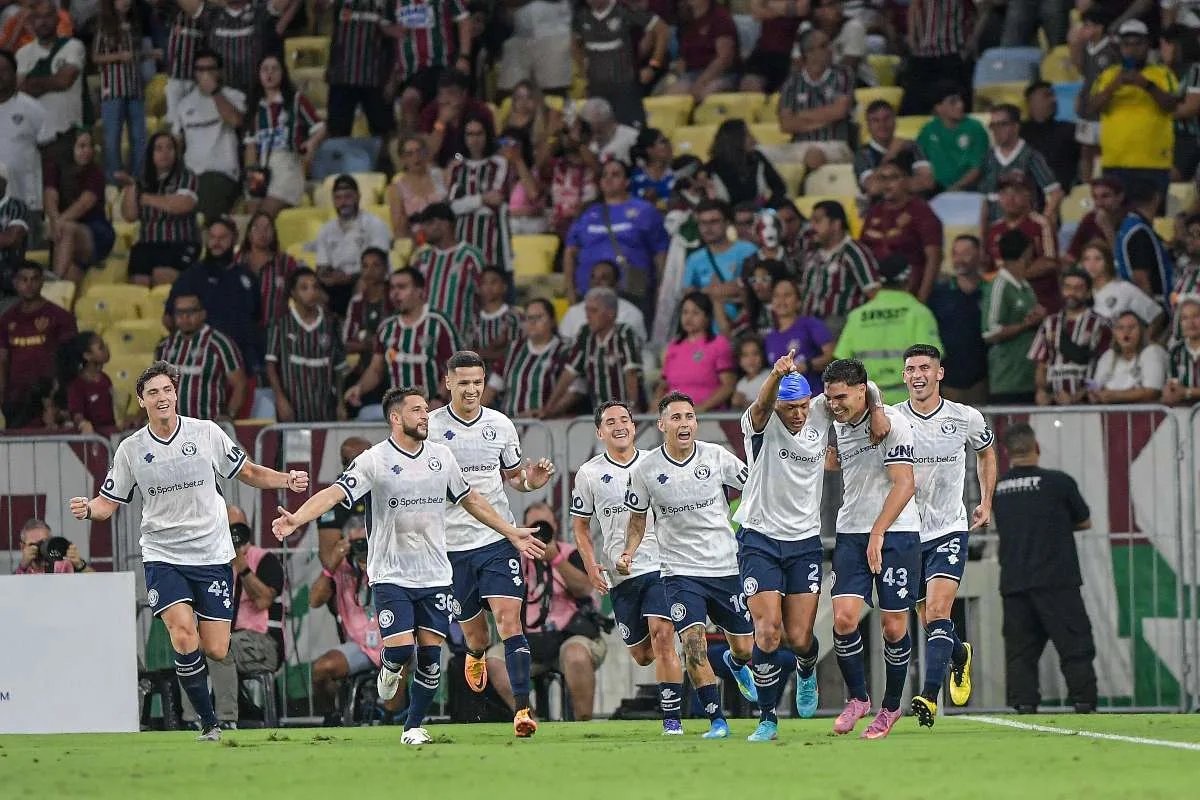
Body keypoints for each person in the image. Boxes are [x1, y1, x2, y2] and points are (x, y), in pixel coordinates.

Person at [272, 386, 545, 744]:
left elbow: (471, 500)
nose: (425, 416)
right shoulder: (375, 460)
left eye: (425, 410)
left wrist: (510, 531)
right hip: (391, 574)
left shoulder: (442, 457)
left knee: (431, 658)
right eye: (417, 410)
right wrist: (297, 519)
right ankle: (389, 663)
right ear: (395, 418)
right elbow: (334, 493)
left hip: (435, 574)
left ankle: (412, 727)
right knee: (402, 650)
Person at [69, 360, 309, 742]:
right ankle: (210, 723)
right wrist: (88, 509)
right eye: (153, 392)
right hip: (163, 554)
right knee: (183, 635)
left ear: (175, 394)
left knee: (216, 648)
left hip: (212, 554)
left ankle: (210, 711)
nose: (161, 397)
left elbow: (247, 471)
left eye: (167, 390)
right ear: (141, 400)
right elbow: (107, 503)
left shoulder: (206, 433)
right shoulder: (131, 450)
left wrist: (286, 479)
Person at [737, 352, 885, 741]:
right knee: (768, 631)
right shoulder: (763, 423)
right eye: (791, 408)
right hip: (760, 537)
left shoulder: (820, 410)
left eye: (803, 406)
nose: (799, 415)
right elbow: (762, 404)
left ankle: (806, 669)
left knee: (800, 638)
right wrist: (774, 374)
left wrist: (880, 410)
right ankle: (767, 717)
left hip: (804, 541)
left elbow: (863, 386)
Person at [427, 351, 557, 736]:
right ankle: (475, 654)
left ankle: (522, 710)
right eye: (463, 382)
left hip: (498, 538)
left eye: (477, 382)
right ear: (448, 382)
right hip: (452, 546)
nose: (471, 389)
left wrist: (533, 480)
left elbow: (515, 479)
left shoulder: (500, 425)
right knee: (477, 634)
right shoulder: (431, 427)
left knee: (508, 620)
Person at [618, 391, 755, 740]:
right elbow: (637, 520)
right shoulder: (645, 470)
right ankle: (716, 720)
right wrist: (629, 552)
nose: (684, 423)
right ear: (662, 424)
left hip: (724, 567)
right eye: (676, 417)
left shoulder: (716, 456)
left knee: (745, 648)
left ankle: (735, 664)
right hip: (678, 571)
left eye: (689, 417)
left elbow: (755, 486)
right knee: (693, 643)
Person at [896, 344, 997, 726]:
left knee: (938, 612)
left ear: (939, 373)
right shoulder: (892, 418)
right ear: (904, 376)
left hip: (949, 528)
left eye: (925, 367)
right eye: (911, 369)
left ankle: (928, 697)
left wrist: (986, 501)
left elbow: (986, 452)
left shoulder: (965, 417)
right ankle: (959, 655)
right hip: (906, 533)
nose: (918, 374)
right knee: (930, 621)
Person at [570, 400, 684, 732]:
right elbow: (580, 526)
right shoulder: (589, 473)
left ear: (634, 427)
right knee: (643, 654)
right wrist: (592, 566)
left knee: (663, 637)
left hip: (662, 565)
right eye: (610, 421)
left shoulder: (657, 461)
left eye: (625, 419)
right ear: (600, 431)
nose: (619, 425)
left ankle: (672, 719)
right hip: (621, 576)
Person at [820, 357, 918, 739]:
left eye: (841, 397)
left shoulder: (893, 424)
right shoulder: (842, 420)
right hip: (850, 530)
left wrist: (879, 532)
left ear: (862, 390)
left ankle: (891, 707)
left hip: (896, 534)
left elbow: (905, 484)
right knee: (843, 618)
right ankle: (858, 698)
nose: (834, 405)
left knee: (893, 627)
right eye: (830, 398)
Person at [991, 423, 1097, 714]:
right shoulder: (1059, 483)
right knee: (1075, 644)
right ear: (1036, 448)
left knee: (1021, 651)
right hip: (1057, 579)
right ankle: (1084, 701)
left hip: (1014, 580)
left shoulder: (998, 489)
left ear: (1006, 452)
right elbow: (1085, 521)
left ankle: (1024, 704)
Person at [485, 503, 604, 721]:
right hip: (528, 640)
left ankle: (584, 723)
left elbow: (585, 589)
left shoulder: (571, 553)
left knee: (576, 655)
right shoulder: (512, 557)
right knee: (494, 660)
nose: (540, 533)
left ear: (556, 526)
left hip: (570, 636)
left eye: (545, 526)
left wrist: (555, 559)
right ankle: (528, 718)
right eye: (534, 527)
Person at [179, 505, 284, 730]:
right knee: (189, 646)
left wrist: (242, 567)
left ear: (246, 530)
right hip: (229, 636)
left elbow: (264, 601)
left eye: (237, 529)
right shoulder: (213, 563)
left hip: (263, 642)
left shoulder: (265, 560)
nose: (232, 534)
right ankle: (192, 720)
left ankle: (227, 719)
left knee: (220, 648)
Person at [344, 268, 461, 416]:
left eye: (402, 287)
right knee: (364, 416)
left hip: (434, 410)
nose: (395, 293)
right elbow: (376, 369)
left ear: (419, 291)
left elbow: (456, 367)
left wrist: (439, 398)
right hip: (398, 412)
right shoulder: (387, 327)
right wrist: (359, 388)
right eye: (392, 288)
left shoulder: (438, 324)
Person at [307, 518, 389, 725]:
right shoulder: (342, 568)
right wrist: (331, 566)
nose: (362, 548)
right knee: (321, 669)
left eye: (366, 541)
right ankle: (332, 717)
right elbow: (314, 601)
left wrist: (373, 566)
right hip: (360, 647)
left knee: (401, 657)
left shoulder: (389, 560)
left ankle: (392, 720)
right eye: (357, 543)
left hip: (393, 640)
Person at [1088, 19, 1178, 200]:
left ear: (1147, 45)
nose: (1132, 49)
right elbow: (1092, 108)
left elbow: (1171, 105)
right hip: (1115, 162)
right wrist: (1113, 87)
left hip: (1153, 163)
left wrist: (1146, 85)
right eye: (1127, 44)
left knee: (1154, 222)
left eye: (1138, 44)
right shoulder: (1108, 76)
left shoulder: (1163, 73)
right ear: (1120, 47)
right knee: (1115, 221)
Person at [835, 255, 943, 403]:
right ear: (909, 279)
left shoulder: (857, 316)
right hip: (910, 401)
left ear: (879, 281)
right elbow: (933, 360)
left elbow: (842, 361)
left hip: (868, 401)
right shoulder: (918, 313)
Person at [563, 159, 668, 307]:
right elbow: (570, 253)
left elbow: (660, 253)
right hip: (589, 293)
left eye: (615, 175)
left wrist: (661, 290)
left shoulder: (645, 211)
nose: (608, 179)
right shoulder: (587, 213)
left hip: (633, 292)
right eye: (604, 175)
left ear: (626, 182)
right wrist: (571, 294)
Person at [167, 217, 262, 376]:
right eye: (212, 237)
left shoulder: (247, 277)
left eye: (222, 237)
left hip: (242, 365)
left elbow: (256, 318)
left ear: (235, 239)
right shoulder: (191, 276)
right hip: (202, 367)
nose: (216, 242)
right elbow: (169, 319)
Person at [243, 54, 325, 217]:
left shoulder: (296, 100)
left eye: (274, 69)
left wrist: (311, 144)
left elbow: (321, 127)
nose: (270, 73)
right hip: (259, 169)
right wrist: (251, 175)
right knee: (253, 218)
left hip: (287, 164)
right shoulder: (254, 107)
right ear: (258, 75)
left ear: (283, 73)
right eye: (265, 69)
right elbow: (250, 146)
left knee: (263, 216)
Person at [542, 287, 644, 417]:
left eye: (594, 311)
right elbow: (568, 374)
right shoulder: (585, 334)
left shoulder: (624, 333)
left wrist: (632, 409)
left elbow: (631, 373)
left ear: (611, 313)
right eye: (587, 311)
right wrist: (548, 408)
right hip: (599, 415)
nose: (588, 316)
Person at [170, 49, 245, 221]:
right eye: (200, 69)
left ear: (220, 72)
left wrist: (214, 92)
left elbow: (234, 121)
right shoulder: (184, 104)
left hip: (221, 171)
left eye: (210, 69)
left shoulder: (233, 96)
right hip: (191, 174)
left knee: (202, 212)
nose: (205, 74)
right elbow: (177, 142)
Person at [266, 267, 348, 422]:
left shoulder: (331, 323)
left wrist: (340, 404)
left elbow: (339, 369)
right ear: (293, 293)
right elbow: (271, 366)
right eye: (304, 288)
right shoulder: (281, 323)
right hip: (292, 406)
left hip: (325, 407)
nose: (311, 292)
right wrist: (280, 400)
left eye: (315, 287)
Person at [0, 261, 76, 428]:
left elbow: (68, 362)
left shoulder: (60, 317)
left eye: (34, 279)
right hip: (15, 401)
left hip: (48, 400)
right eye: (24, 279)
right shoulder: (6, 320)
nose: (29, 285)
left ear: (42, 281)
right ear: (15, 282)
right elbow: (2, 360)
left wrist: (59, 397)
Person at [120, 131, 200, 288]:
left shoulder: (186, 176)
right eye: (159, 148)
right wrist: (131, 187)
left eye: (169, 148)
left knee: (160, 275)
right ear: (151, 154)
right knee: (139, 284)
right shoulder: (142, 180)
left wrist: (147, 199)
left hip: (179, 243)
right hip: (147, 244)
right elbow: (130, 216)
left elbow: (184, 204)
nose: (165, 153)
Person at [572, 0, 667, 128]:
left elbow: (662, 29)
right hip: (596, 90)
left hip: (625, 88)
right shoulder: (580, 15)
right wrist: (583, 72)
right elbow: (574, 43)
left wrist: (653, 66)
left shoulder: (624, 10)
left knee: (634, 135)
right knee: (600, 136)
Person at [155, 292, 248, 421]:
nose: (185, 317)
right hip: (172, 431)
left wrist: (229, 415)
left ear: (202, 314)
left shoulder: (219, 344)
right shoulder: (166, 346)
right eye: (179, 313)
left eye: (191, 312)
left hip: (207, 429)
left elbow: (240, 384)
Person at [859, 160, 943, 302]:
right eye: (882, 178)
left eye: (893, 178)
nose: (887, 184)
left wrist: (922, 298)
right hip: (875, 293)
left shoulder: (921, 211)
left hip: (910, 290)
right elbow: (862, 254)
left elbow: (934, 258)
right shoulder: (875, 211)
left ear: (908, 181)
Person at [15, 0, 85, 166]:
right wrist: (52, 80)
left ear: (58, 18)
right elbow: (19, 92)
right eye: (38, 17)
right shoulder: (22, 54)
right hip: (33, 138)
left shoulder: (73, 46)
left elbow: (64, 81)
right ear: (31, 22)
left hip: (67, 134)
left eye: (48, 16)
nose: (43, 21)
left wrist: (32, 83)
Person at [1030, 269, 1112, 406]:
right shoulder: (1049, 323)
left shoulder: (1101, 324)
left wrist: (1079, 395)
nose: (1072, 293)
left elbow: (1105, 366)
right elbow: (1041, 365)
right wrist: (1042, 391)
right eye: (1067, 287)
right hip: (1052, 403)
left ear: (1088, 293)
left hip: (1088, 403)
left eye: (1078, 288)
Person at [777, 27, 855, 171]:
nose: (830, 48)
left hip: (834, 145)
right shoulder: (792, 82)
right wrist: (825, 119)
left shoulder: (843, 74)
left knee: (813, 155)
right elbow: (786, 125)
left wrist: (802, 115)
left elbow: (840, 111)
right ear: (809, 53)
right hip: (799, 146)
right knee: (761, 154)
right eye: (824, 46)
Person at [43, 128, 114, 286]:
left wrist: (57, 223)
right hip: (63, 232)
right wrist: (55, 220)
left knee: (67, 228)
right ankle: (61, 300)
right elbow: (50, 196)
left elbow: (84, 204)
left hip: (95, 231)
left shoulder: (95, 172)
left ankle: (55, 281)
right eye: (82, 146)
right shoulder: (55, 168)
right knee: (71, 272)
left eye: (90, 146)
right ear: (70, 148)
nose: (87, 151)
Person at [982, 172, 1061, 312]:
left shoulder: (1041, 224)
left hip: (1038, 300)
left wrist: (1011, 278)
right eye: (1004, 193)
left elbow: (1049, 262)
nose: (1010, 198)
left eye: (1016, 192)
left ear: (1028, 195)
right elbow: (988, 266)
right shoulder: (994, 229)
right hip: (1003, 302)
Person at [314, 174, 391, 315]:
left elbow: (378, 265)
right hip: (336, 283)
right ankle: (329, 332)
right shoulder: (326, 229)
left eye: (348, 197)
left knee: (364, 283)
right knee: (313, 290)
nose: (343, 203)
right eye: (338, 198)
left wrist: (349, 277)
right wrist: (329, 276)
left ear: (358, 197)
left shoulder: (375, 224)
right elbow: (321, 268)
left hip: (364, 278)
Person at [983, 230, 1044, 404]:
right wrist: (1026, 325)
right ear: (1027, 252)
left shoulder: (1025, 285)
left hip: (1029, 376)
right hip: (1007, 379)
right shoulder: (999, 285)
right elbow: (989, 332)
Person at [978, 104, 1064, 227]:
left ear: (1015, 127)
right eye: (993, 125)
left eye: (1002, 124)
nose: (996, 130)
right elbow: (985, 201)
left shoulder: (1030, 156)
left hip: (1024, 229)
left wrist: (1044, 221)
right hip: (995, 230)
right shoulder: (988, 158)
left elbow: (1055, 192)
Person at [800, 199, 881, 330]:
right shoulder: (811, 253)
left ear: (836, 224)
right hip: (810, 325)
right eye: (811, 221)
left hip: (842, 326)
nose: (812, 227)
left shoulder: (854, 252)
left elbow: (874, 293)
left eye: (818, 221)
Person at [928, 235, 988, 404]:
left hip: (983, 380)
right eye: (956, 254)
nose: (960, 259)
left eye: (966, 253)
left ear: (980, 255)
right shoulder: (938, 294)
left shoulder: (990, 292)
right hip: (948, 381)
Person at [321, 0, 394, 140]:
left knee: (383, 133)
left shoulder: (387, 3)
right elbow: (320, 8)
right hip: (342, 76)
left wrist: (393, 78)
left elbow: (396, 40)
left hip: (376, 77)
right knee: (337, 132)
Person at [483, 297, 568, 418]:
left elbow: (573, 390)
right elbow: (493, 386)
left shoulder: (564, 350)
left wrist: (549, 411)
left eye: (538, 317)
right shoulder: (514, 349)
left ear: (552, 321)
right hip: (512, 425)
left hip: (547, 426)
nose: (532, 323)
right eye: (529, 318)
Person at [447, 115, 511, 272]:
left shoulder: (499, 164)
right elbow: (453, 207)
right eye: (470, 134)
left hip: (492, 238)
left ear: (487, 135)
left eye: (479, 134)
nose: (474, 139)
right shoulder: (456, 168)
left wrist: (467, 203)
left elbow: (497, 199)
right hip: (462, 236)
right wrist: (482, 198)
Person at [93, 0, 147, 183]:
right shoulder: (104, 25)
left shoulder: (134, 25)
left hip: (135, 88)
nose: (126, 2)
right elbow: (95, 56)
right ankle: (113, 183)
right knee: (112, 138)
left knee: (139, 137)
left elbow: (137, 55)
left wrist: (149, 54)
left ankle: (138, 180)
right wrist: (118, 56)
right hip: (113, 90)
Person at [409, 202, 484, 333]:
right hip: (425, 338)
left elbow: (486, 297)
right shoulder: (422, 259)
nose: (423, 230)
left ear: (446, 224)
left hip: (462, 338)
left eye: (429, 223)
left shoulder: (471, 257)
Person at [657, 291, 736, 411]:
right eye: (685, 312)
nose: (688, 317)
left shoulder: (718, 344)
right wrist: (654, 409)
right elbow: (663, 385)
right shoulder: (674, 346)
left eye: (696, 313)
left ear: (707, 317)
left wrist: (701, 408)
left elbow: (728, 386)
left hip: (709, 416)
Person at [683, 199, 758, 321]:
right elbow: (689, 296)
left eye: (714, 222)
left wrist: (707, 291)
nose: (708, 228)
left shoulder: (748, 250)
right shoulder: (694, 259)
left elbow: (754, 288)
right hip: (709, 333)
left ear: (727, 223)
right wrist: (719, 292)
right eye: (703, 223)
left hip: (744, 326)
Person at [1068, 8, 1119, 183]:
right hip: (1086, 106)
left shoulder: (1112, 51)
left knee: (1104, 149)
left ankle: (1108, 184)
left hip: (1104, 109)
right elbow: (1080, 69)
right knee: (1086, 149)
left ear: (1100, 28)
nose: (1084, 30)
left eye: (1088, 26)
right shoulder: (1086, 48)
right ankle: (1086, 183)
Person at [0, 48, 47, 235]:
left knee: (30, 262)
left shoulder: (33, 109)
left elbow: (49, 153)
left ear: (14, 73)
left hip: (27, 203)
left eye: (3, 70)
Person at [900, 0, 973, 115]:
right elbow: (914, 5)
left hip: (949, 54)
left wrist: (969, 44)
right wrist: (911, 37)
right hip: (920, 55)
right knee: (913, 109)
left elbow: (983, 8)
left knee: (956, 110)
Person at [854, 100, 935, 201]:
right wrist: (891, 154)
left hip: (913, 207)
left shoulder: (912, 146)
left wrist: (888, 185)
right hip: (879, 210)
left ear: (895, 121)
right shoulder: (863, 154)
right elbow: (873, 188)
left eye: (887, 119)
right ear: (868, 126)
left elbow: (927, 182)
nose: (882, 124)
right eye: (875, 120)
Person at [916, 83, 988, 193]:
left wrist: (955, 188)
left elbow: (979, 166)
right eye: (953, 102)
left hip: (969, 189)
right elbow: (920, 157)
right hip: (934, 191)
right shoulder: (928, 130)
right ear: (938, 108)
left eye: (960, 101)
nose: (960, 105)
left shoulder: (975, 127)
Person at [1078, 238, 1163, 332]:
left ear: (1107, 262)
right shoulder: (1080, 294)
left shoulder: (1124, 289)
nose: (1091, 264)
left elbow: (1156, 316)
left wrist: (1146, 342)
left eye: (1098, 258)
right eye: (1087, 259)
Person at [765, 276, 834, 391]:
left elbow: (831, 355)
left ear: (798, 301)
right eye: (776, 296)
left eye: (787, 295)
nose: (781, 300)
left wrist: (808, 365)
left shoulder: (811, 324)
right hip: (785, 404)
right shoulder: (770, 337)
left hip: (813, 400)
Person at [662, 0, 738, 102]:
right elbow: (683, 57)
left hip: (722, 73)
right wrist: (674, 78)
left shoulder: (721, 18)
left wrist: (701, 82)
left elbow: (724, 59)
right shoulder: (685, 18)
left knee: (708, 94)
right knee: (671, 96)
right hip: (692, 72)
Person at [236, 211, 299, 330]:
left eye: (268, 228)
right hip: (240, 330)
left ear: (274, 233)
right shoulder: (236, 260)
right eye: (257, 228)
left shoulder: (286, 262)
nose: (262, 233)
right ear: (249, 234)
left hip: (275, 332)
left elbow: (299, 294)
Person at [1114, 177, 1175, 299]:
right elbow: (1140, 278)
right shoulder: (1139, 232)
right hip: (1150, 304)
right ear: (1157, 197)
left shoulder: (1130, 225)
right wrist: (1151, 312)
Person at [1089, 310, 1169, 403]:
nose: (1126, 332)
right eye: (1120, 328)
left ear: (1142, 331)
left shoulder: (1153, 351)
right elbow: (1093, 383)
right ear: (1114, 333)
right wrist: (1091, 392)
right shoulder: (1109, 355)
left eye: (1131, 327)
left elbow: (1152, 392)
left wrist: (1114, 396)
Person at [558, 260, 647, 343]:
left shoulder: (631, 313)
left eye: (604, 278)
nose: (596, 282)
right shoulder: (573, 312)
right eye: (593, 277)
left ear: (617, 284)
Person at [420, 70, 494, 169]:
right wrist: (441, 122)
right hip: (440, 168)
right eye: (441, 94)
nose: (444, 100)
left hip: (474, 165)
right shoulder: (430, 112)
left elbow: (488, 147)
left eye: (451, 93)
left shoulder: (480, 111)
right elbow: (426, 154)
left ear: (464, 94)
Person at [706, 119, 788, 207]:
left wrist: (768, 209)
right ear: (735, 140)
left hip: (758, 214)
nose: (754, 140)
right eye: (748, 135)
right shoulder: (711, 168)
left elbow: (779, 187)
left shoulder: (757, 158)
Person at [1020, 81, 1079, 192]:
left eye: (1053, 95)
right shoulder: (1018, 133)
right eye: (1047, 95)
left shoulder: (1070, 130)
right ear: (1030, 102)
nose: (1054, 100)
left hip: (1065, 195)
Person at [161, 0, 218, 115]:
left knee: (194, 115)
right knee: (174, 118)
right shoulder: (172, 11)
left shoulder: (207, 13)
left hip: (195, 78)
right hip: (175, 77)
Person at [738, 0, 804, 94]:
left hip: (791, 52)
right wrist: (788, 8)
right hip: (764, 51)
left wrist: (768, 5)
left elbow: (802, 9)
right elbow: (756, 14)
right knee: (748, 85)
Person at [1161, 24, 1200, 182]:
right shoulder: (1159, 71)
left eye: (1163, 44)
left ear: (1175, 45)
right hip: (1162, 134)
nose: (1161, 50)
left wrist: (1155, 113)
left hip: (1188, 136)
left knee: (1169, 177)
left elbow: (1191, 107)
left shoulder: (1196, 71)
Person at [387, 135, 446, 238]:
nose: (416, 157)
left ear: (425, 154)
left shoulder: (442, 176)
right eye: (410, 154)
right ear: (402, 159)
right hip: (417, 241)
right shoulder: (396, 189)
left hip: (446, 235)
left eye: (419, 151)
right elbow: (399, 231)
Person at [1064, 176, 1125, 265]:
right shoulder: (1090, 218)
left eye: (1105, 196)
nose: (1099, 203)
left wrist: (1107, 228)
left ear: (1120, 197)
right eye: (1095, 197)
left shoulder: (1129, 220)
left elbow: (1123, 261)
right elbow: (1072, 256)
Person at [63, 331, 115, 432]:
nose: (106, 350)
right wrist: (83, 424)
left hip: (110, 436)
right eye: (101, 347)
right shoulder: (78, 385)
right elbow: (77, 415)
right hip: (91, 439)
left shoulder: (105, 379)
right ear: (87, 355)